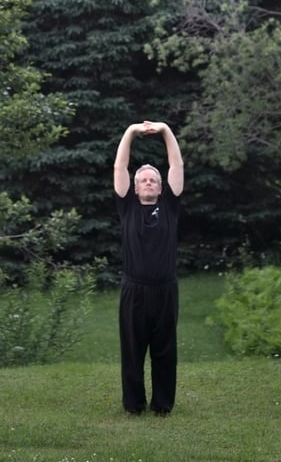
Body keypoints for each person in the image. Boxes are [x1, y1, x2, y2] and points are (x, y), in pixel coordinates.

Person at [113, 120, 184, 416]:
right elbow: (120, 167)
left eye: (153, 179)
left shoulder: (169, 205)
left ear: (162, 185)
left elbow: (176, 164)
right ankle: (134, 405)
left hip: (165, 290)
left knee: (164, 351)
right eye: (143, 179)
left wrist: (166, 129)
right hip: (134, 291)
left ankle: (163, 406)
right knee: (132, 351)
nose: (148, 182)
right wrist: (130, 131)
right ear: (134, 186)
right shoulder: (127, 206)